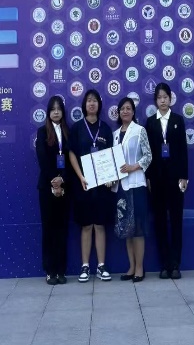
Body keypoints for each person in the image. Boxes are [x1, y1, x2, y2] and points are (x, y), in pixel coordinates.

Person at [68, 89, 114, 282]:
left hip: (103, 186)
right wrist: (80, 176)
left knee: (100, 225)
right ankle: (85, 266)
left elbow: (112, 155)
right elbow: (71, 153)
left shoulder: (106, 128)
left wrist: (111, 177)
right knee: (86, 226)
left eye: (95, 100)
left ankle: (101, 266)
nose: (92, 103)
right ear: (84, 105)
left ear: (99, 105)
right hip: (84, 185)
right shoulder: (77, 128)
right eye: (89, 100)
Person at [145, 83, 189, 280]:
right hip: (157, 180)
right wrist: (148, 177)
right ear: (155, 100)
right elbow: (147, 153)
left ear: (170, 99)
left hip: (175, 179)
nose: (162, 100)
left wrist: (184, 176)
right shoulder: (150, 122)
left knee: (176, 222)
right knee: (160, 222)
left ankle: (176, 264)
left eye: (165, 97)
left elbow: (183, 150)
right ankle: (164, 265)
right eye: (159, 97)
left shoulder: (178, 120)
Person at [112, 97, 152, 283]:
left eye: (128, 108)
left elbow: (148, 156)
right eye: (122, 109)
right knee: (126, 229)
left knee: (138, 229)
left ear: (133, 111)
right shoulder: (114, 134)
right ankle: (131, 266)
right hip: (121, 187)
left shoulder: (140, 130)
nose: (125, 111)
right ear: (118, 112)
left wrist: (132, 167)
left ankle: (139, 268)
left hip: (136, 185)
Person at [35, 95, 71, 285]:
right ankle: (50, 271)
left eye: (59, 109)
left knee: (62, 229)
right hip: (46, 187)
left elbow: (72, 159)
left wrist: (62, 179)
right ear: (48, 112)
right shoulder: (42, 132)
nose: (56, 112)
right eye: (53, 109)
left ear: (62, 112)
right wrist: (53, 181)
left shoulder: (68, 132)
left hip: (65, 187)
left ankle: (61, 271)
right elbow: (42, 158)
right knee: (49, 229)